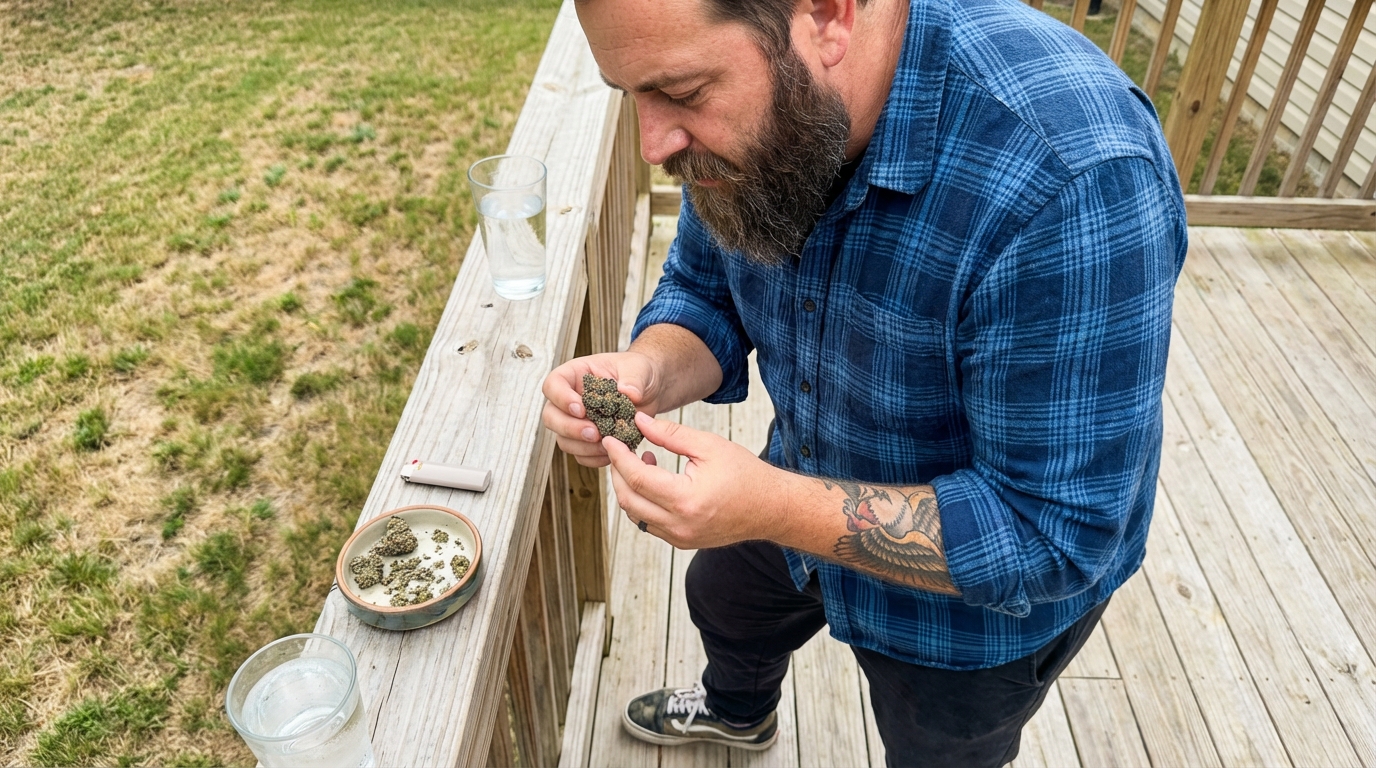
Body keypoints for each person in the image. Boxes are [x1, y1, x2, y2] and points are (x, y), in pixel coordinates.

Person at [540, 0, 1187, 764]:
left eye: (681, 93)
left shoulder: (1072, 177)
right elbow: (705, 286)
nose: (654, 146)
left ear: (827, 15)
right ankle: (738, 711)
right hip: (805, 462)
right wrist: (646, 368)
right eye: (631, 94)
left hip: (972, 624)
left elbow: (1052, 534)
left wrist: (771, 504)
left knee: (939, 746)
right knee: (724, 600)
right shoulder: (739, 116)